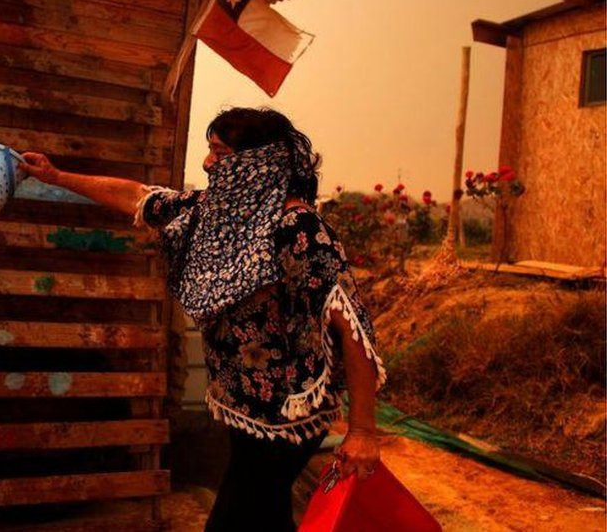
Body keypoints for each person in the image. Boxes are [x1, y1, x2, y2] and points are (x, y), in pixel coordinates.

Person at [20, 107, 385, 532]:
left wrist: (362, 432)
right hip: (242, 405)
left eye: (219, 152)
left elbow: (352, 328)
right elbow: (137, 196)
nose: (208, 163)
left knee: (236, 514)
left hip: (289, 415)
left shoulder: (298, 229)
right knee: (264, 514)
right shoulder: (211, 214)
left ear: (255, 163)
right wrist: (56, 176)